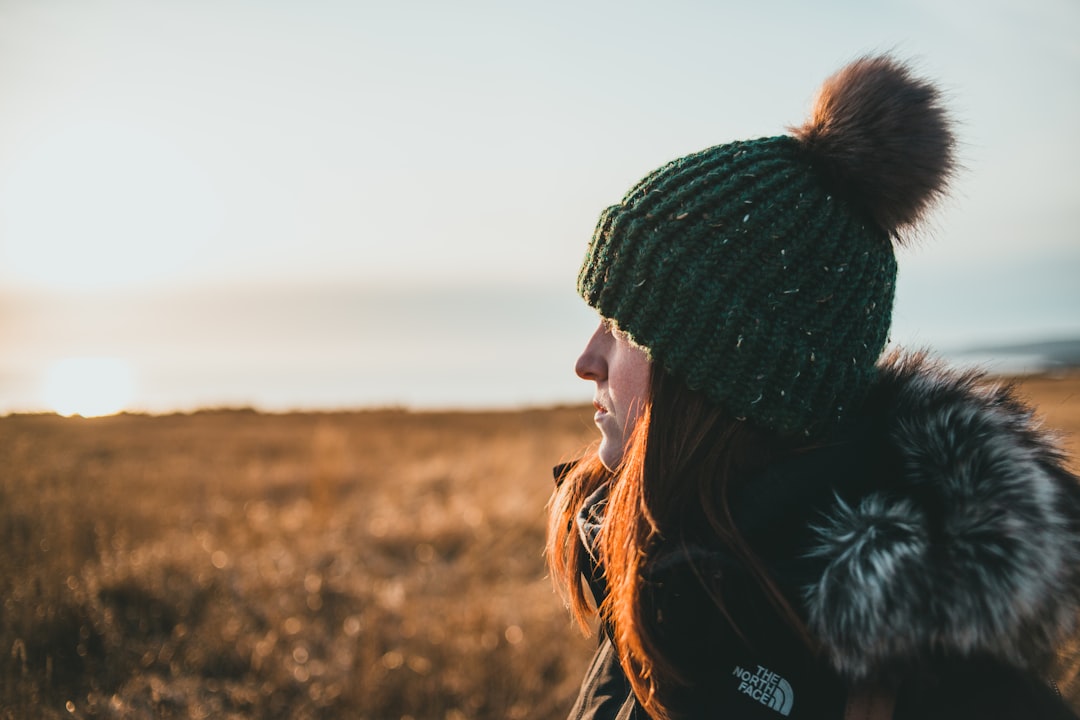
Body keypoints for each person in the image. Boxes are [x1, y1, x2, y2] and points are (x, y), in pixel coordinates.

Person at [546, 55, 1080, 720]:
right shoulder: (662, 558)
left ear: (729, 374)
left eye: (622, 328)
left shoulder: (932, 679)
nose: (586, 360)